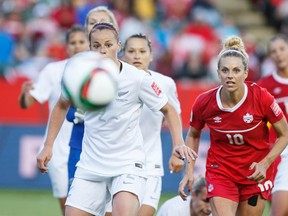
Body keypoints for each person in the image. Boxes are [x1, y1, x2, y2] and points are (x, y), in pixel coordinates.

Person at [37, 22, 196, 216]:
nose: (102, 50)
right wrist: (48, 145)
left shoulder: (137, 78)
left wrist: (177, 143)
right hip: (90, 164)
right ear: (90, 47)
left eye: (108, 44)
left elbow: (169, 109)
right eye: (96, 45)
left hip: (127, 165)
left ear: (118, 46)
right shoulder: (79, 75)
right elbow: (62, 105)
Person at [175, 35, 288, 216]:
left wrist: (265, 163)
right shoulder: (204, 102)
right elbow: (194, 134)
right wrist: (189, 171)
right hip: (222, 172)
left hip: (254, 173)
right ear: (218, 73)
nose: (230, 76)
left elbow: (285, 134)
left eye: (236, 70)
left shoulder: (261, 97)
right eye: (225, 70)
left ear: (245, 73)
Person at [18, 25, 90, 215]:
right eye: (72, 43)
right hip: (58, 148)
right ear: (66, 47)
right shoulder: (53, 70)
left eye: (81, 42)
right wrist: (24, 95)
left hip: (89, 146)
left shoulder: (99, 71)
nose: (77, 46)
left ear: (89, 44)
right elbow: (28, 102)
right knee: (66, 205)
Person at [121, 33, 184, 216]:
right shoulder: (112, 82)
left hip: (150, 164)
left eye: (142, 51)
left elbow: (174, 116)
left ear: (151, 55)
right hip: (118, 164)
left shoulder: (165, 83)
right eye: (131, 51)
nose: (136, 56)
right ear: (122, 54)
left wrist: (177, 151)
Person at [66, 5, 119, 191]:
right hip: (80, 141)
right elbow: (61, 106)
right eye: (92, 23)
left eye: (103, 23)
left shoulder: (126, 69)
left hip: (115, 146)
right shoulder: (76, 68)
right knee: (75, 202)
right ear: (86, 28)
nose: (97, 26)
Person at [257, 34, 288, 216]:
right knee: (280, 210)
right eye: (273, 52)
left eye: (282, 49)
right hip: (282, 153)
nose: (278, 54)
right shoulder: (265, 86)